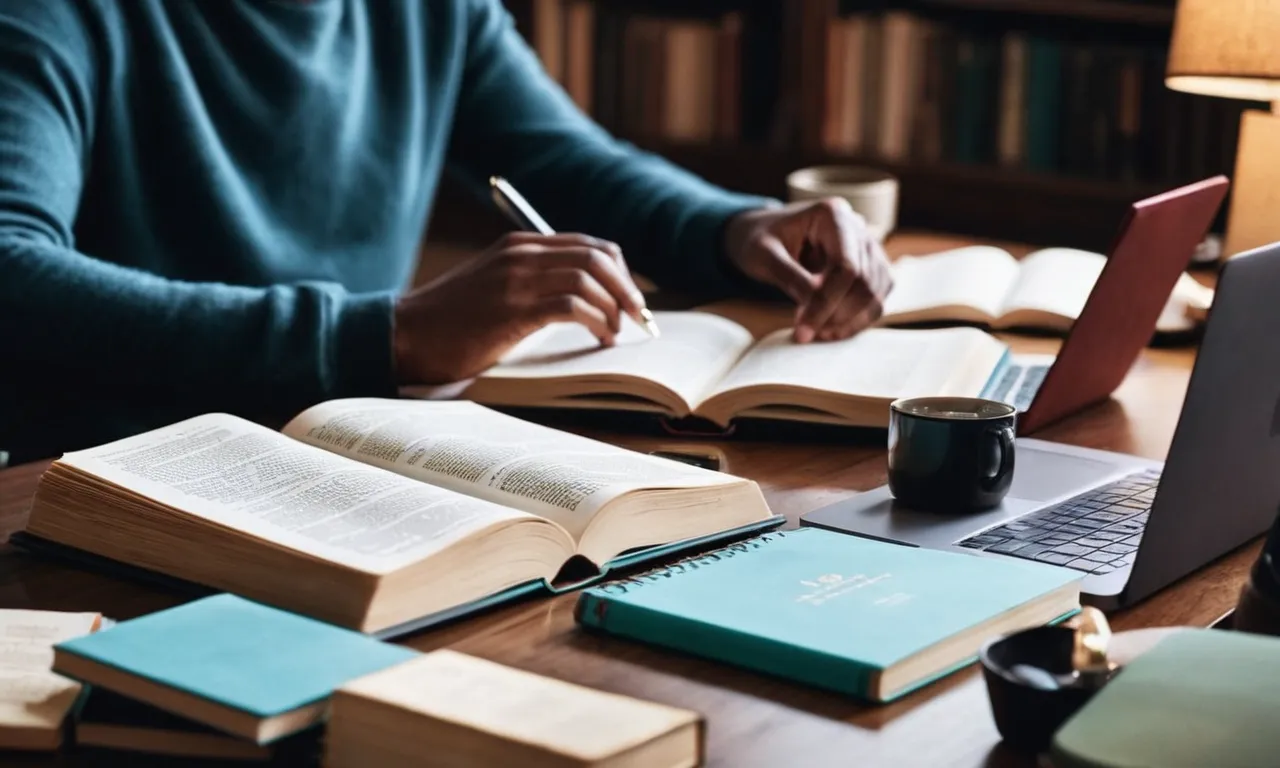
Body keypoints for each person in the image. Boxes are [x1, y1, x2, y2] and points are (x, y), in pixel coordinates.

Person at [0, 0, 892, 466]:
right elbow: (12, 272)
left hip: (361, 448)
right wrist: (389, 333)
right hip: (117, 481)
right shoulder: (49, 15)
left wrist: (735, 225)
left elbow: (565, 161)